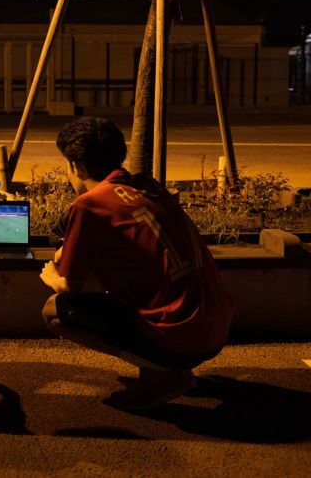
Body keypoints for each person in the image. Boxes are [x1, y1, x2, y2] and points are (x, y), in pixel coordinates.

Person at [39, 117, 233, 411]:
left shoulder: (90, 204)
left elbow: (70, 285)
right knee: (141, 292)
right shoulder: (146, 186)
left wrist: (51, 275)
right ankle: (160, 370)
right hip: (217, 325)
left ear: (77, 167)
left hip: (182, 337)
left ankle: (166, 374)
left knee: (54, 311)